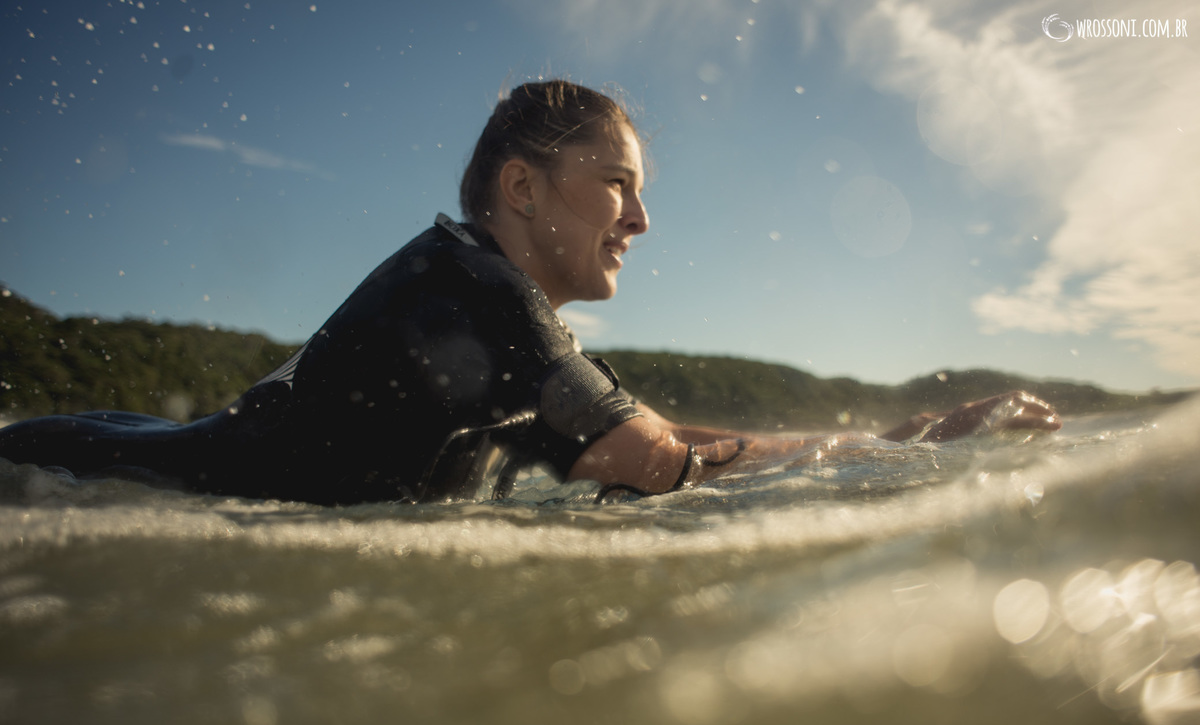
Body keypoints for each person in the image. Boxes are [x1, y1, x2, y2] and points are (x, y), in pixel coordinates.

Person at [0, 80, 1061, 505]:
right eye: (619, 187)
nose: (641, 223)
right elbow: (661, 465)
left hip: (107, 453)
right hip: (73, 472)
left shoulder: (490, 311)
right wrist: (920, 448)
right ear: (522, 187)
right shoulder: (472, 291)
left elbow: (647, 432)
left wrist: (897, 430)